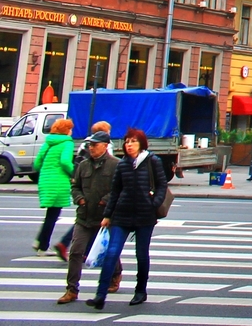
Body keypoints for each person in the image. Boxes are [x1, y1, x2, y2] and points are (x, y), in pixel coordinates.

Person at [86, 128, 167, 310]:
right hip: (122, 214)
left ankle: (140, 291)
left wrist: (154, 203)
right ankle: (100, 295)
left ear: (141, 144)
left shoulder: (152, 161)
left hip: (145, 216)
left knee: (141, 254)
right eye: (127, 142)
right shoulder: (123, 164)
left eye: (133, 142)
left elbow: (162, 184)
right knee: (112, 252)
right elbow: (115, 191)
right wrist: (107, 215)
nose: (129, 145)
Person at [61, 130, 120, 304]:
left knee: (108, 251)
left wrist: (105, 201)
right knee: (76, 251)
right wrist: (78, 199)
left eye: (94, 145)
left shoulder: (116, 165)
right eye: (90, 145)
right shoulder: (83, 165)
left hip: (104, 217)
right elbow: (75, 187)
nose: (91, 148)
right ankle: (71, 289)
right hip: (84, 217)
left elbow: (119, 189)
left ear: (104, 146)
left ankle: (115, 274)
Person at [35, 116, 75, 257]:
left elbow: (37, 163)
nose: (71, 132)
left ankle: (40, 241)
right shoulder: (67, 143)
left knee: (50, 214)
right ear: (66, 130)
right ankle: (43, 246)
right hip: (58, 182)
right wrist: (74, 172)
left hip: (45, 181)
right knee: (53, 215)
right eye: (70, 129)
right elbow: (65, 161)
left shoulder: (48, 142)